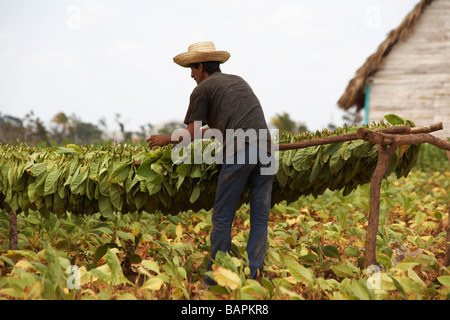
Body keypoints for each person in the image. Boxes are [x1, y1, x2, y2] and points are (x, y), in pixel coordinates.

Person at [146, 41, 275, 284]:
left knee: (223, 218)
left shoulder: (202, 89)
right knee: (259, 218)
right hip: (267, 150)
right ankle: (253, 278)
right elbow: (211, 129)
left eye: (192, 70)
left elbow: (192, 132)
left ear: (202, 66)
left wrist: (165, 139)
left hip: (240, 150)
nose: (192, 76)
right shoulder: (238, 81)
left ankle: (215, 280)